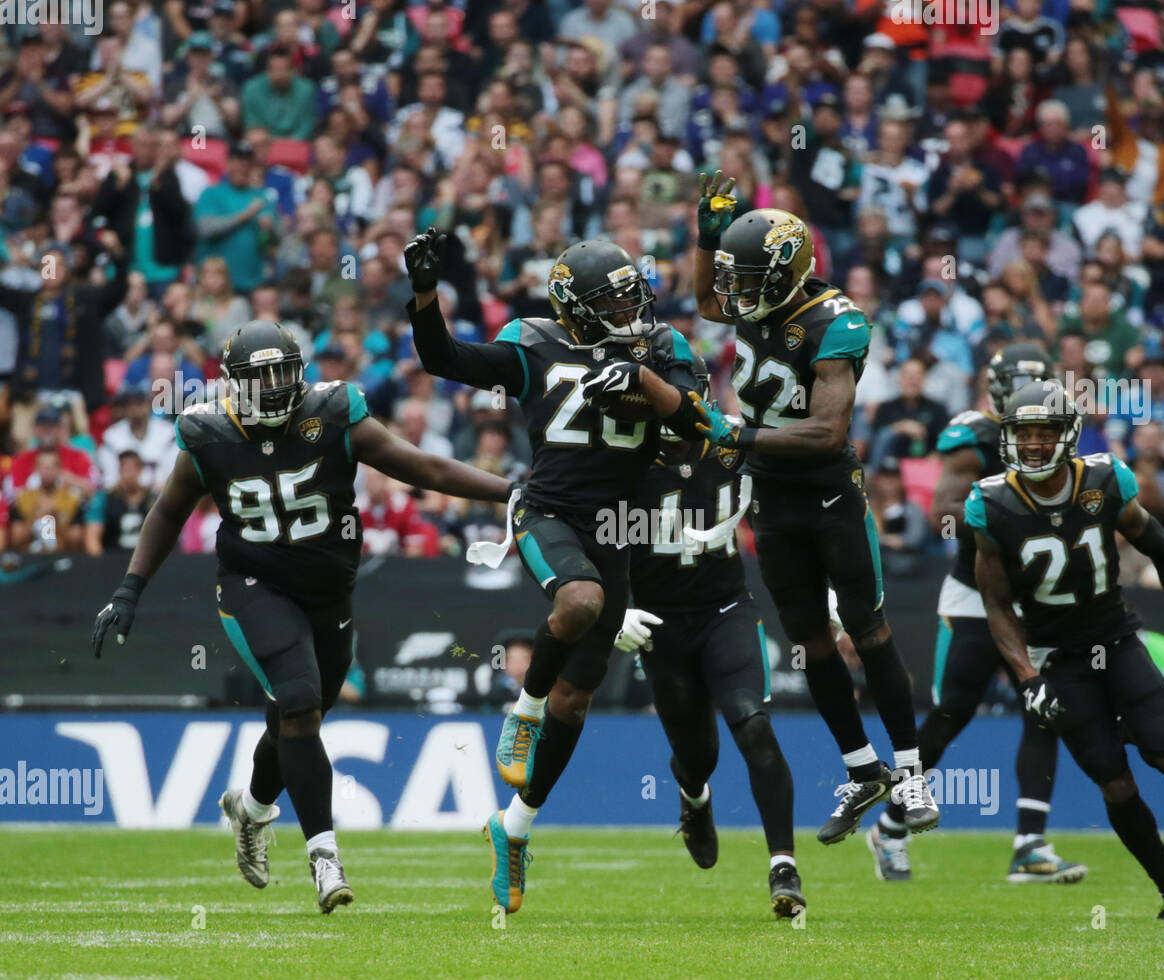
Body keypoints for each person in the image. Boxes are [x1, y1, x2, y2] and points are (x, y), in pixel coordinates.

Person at [90, 320, 513, 912]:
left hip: (328, 594)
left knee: (298, 714)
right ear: (233, 383)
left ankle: (253, 808)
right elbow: (167, 512)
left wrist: (510, 492)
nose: (271, 387)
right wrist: (130, 589)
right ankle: (324, 857)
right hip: (252, 584)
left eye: (281, 373)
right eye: (258, 377)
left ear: (300, 372)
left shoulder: (334, 414)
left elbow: (425, 469)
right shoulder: (208, 432)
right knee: (300, 703)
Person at [403, 228, 702, 915]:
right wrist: (424, 293)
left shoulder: (662, 348)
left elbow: (696, 431)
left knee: (580, 700)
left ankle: (513, 828)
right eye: (611, 300)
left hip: (618, 531)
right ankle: (523, 709)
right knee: (579, 603)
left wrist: (650, 385)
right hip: (547, 511)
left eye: (632, 295)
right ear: (574, 307)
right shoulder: (534, 343)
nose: (630, 310)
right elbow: (443, 357)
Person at [684, 173, 938, 848]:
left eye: (748, 274)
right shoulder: (754, 297)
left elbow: (827, 431)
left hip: (827, 492)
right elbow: (707, 296)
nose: (734, 290)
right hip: (769, 497)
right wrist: (706, 237)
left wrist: (738, 434)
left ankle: (912, 775)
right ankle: (862, 769)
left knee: (868, 627)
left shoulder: (837, 322)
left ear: (790, 273)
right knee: (810, 640)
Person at [969, 380, 1164, 920]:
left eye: (1044, 433)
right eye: (1023, 434)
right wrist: (1027, 679)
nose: (1033, 445)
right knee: (1115, 782)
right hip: (1058, 659)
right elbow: (995, 604)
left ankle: (1126, 722)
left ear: (1069, 436)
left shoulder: (1104, 481)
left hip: (1117, 637)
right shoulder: (991, 503)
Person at [877, 344, 1084, 883]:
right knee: (950, 716)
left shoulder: (1063, 443)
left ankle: (1029, 845)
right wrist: (1012, 514)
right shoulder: (977, 435)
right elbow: (943, 512)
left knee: (1045, 708)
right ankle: (892, 823)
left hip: (1033, 598)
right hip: (975, 594)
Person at [615, 380, 803, 917]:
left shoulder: (732, 446)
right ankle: (694, 798)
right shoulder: (621, 460)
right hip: (659, 625)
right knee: (698, 757)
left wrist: (827, 584)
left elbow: (795, 505)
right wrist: (614, 610)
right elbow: (582, 536)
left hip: (725, 610)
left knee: (755, 725)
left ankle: (783, 866)